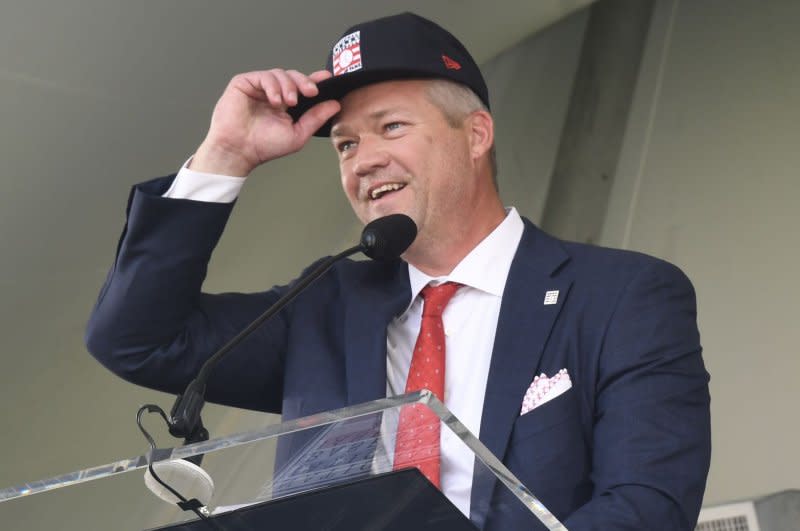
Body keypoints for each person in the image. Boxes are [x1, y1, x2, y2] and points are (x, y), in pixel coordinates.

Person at [86, 12, 711, 530]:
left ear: (476, 135)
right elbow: (138, 339)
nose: (364, 160)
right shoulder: (325, 305)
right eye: (347, 144)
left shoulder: (622, 295)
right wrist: (226, 154)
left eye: (391, 127)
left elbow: (646, 507)